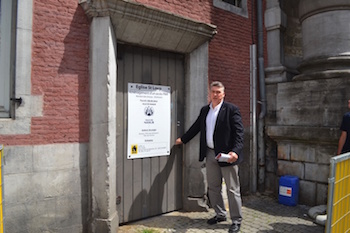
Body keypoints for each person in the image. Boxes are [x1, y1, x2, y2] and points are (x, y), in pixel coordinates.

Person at [175, 81, 244, 233]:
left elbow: (239, 133)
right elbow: (196, 127)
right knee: (213, 187)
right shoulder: (205, 110)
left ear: (223, 94)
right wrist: (183, 139)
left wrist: (235, 152)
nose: (215, 94)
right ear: (210, 93)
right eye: (213, 91)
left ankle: (236, 220)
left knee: (232, 189)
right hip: (210, 153)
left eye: (218, 92)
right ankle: (220, 214)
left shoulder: (231, 110)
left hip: (227, 156)